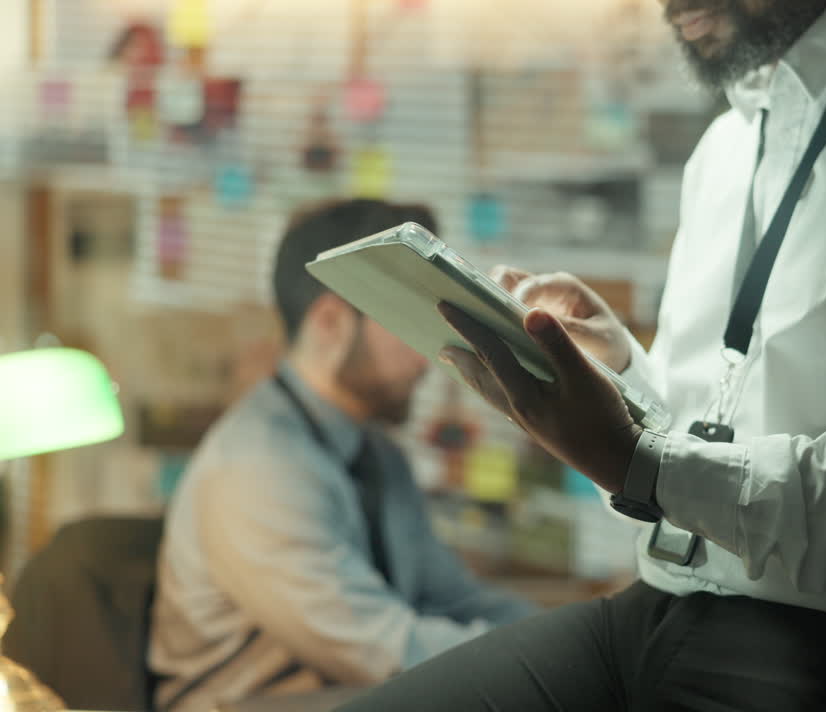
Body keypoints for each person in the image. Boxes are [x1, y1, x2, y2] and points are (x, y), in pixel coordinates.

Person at [342, 0, 826, 709]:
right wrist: (624, 375)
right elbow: (725, 437)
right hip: (668, 609)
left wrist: (638, 463)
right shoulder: (733, 136)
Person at [149, 199, 537, 712]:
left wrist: (576, 636)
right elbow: (384, 651)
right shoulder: (257, 467)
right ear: (331, 322)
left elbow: (452, 596)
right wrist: (551, 662)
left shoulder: (375, 453)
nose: (433, 351)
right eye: (410, 317)